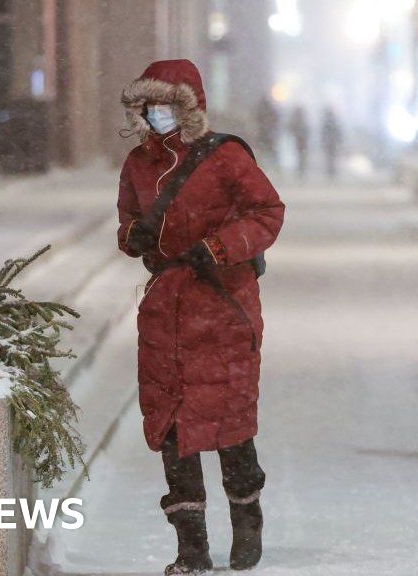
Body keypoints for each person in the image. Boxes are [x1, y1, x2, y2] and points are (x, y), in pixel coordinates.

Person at [117, 59, 286, 576]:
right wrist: (133, 239)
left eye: (166, 105)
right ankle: (191, 548)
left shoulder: (226, 156)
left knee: (228, 420)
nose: (156, 115)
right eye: (148, 106)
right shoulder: (138, 163)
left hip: (222, 303)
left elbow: (267, 213)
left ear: (189, 107)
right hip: (166, 308)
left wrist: (217, 247)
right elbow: (126, 218)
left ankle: (246, 520)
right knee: (172, 426)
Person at [321, 106, 343, 181]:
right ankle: (331, 172)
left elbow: (324, 133)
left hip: (330, 143)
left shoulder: (327, 121)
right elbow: (338, 133)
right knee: (331, 159)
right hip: (332, 143)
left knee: (330, 159)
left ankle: (331, 172)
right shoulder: (332, 121)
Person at [289, 105, 310, 180]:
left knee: (301, 157)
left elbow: (291, 128)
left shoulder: (298, 120)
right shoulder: (302, 120)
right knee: (301, 157)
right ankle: (301, 171)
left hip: (300, 141)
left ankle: (301, 171)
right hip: (300, 141)